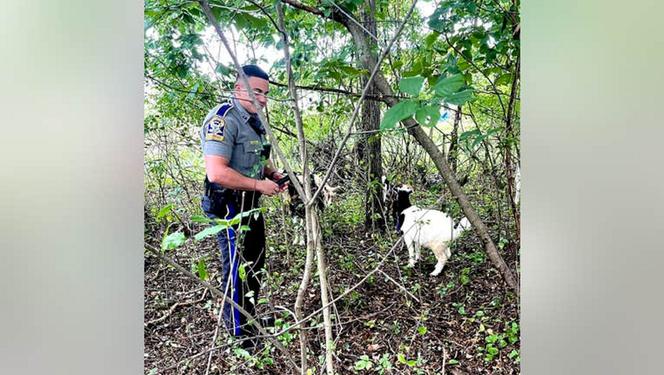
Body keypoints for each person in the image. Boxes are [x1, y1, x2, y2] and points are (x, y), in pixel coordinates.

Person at [199, 64, 286, 347]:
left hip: (251, 203)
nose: (262, 99)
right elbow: (217, 172)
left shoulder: (253, 119)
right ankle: (239, 334)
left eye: (265, 94)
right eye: (256, 92)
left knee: (255, 259)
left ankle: (247, 317)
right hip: (228, 205)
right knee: (238, 267)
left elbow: (257, 156)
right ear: (238, 89)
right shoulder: (223, 119)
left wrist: (271, 173)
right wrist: (261, 185)